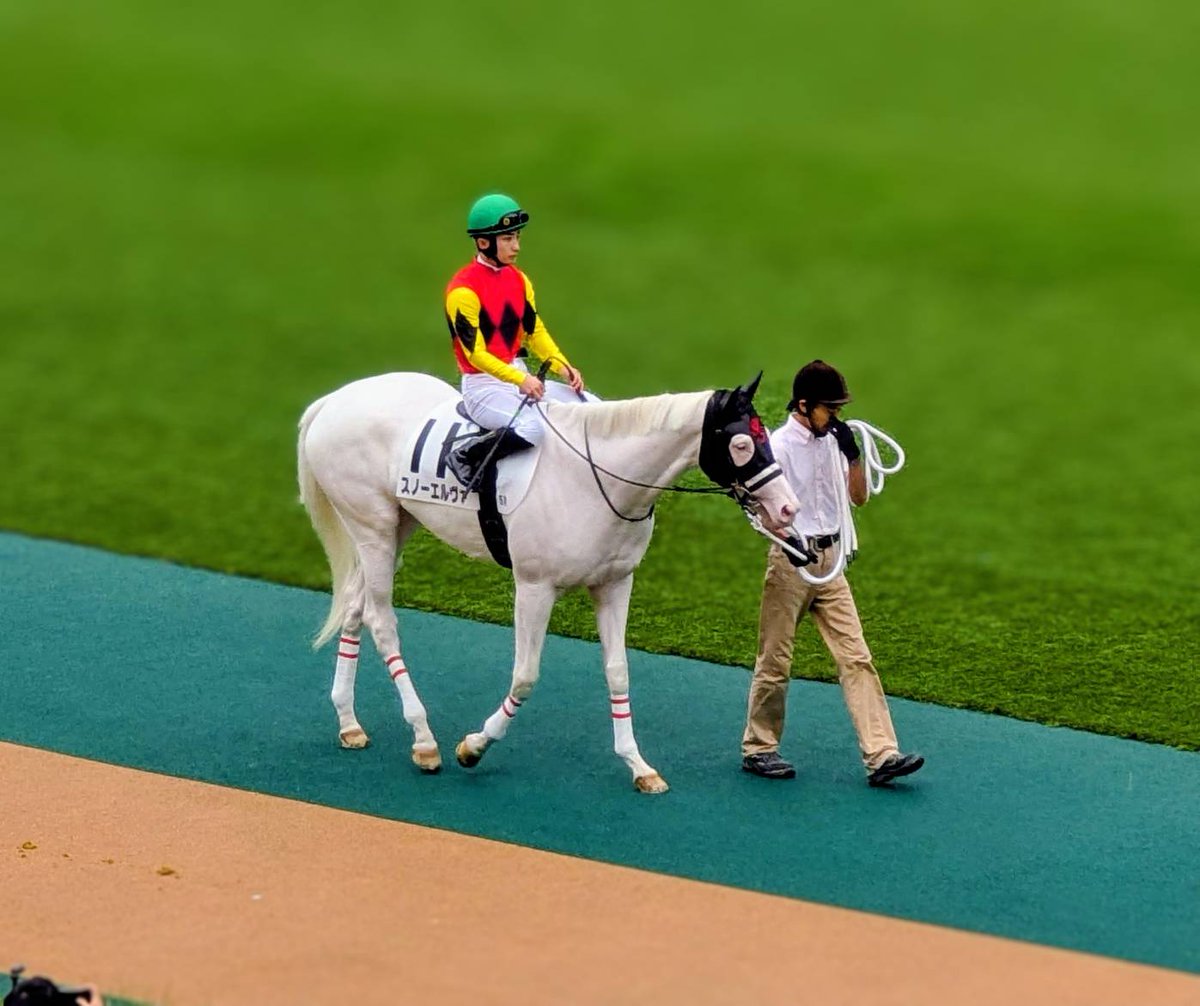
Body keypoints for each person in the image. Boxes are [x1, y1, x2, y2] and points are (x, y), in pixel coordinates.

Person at [740, 360, 924, 786]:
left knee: (857, 657)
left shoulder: (831, 441)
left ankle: (882, 755)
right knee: (776, 658)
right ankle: (759, 748)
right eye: (830, 409)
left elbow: (857, 498)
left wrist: (853, 454)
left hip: (832, 563)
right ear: (804, 406)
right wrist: (791, 539)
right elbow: (761, 509)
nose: (836, 416)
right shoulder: (779, 446)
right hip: (791, 563)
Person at [443, 193, 586, 487]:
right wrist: (519, 380)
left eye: (517, 237)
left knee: (589, 406)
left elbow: (535, 332)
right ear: (484, 243)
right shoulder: (462, 291)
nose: (516, 246)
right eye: (508, 238)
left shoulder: (519, 280)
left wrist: (563, 366)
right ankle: (467, 456)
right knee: (531, 428)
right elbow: (476, 355)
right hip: (482, 386)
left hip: (516, 373)